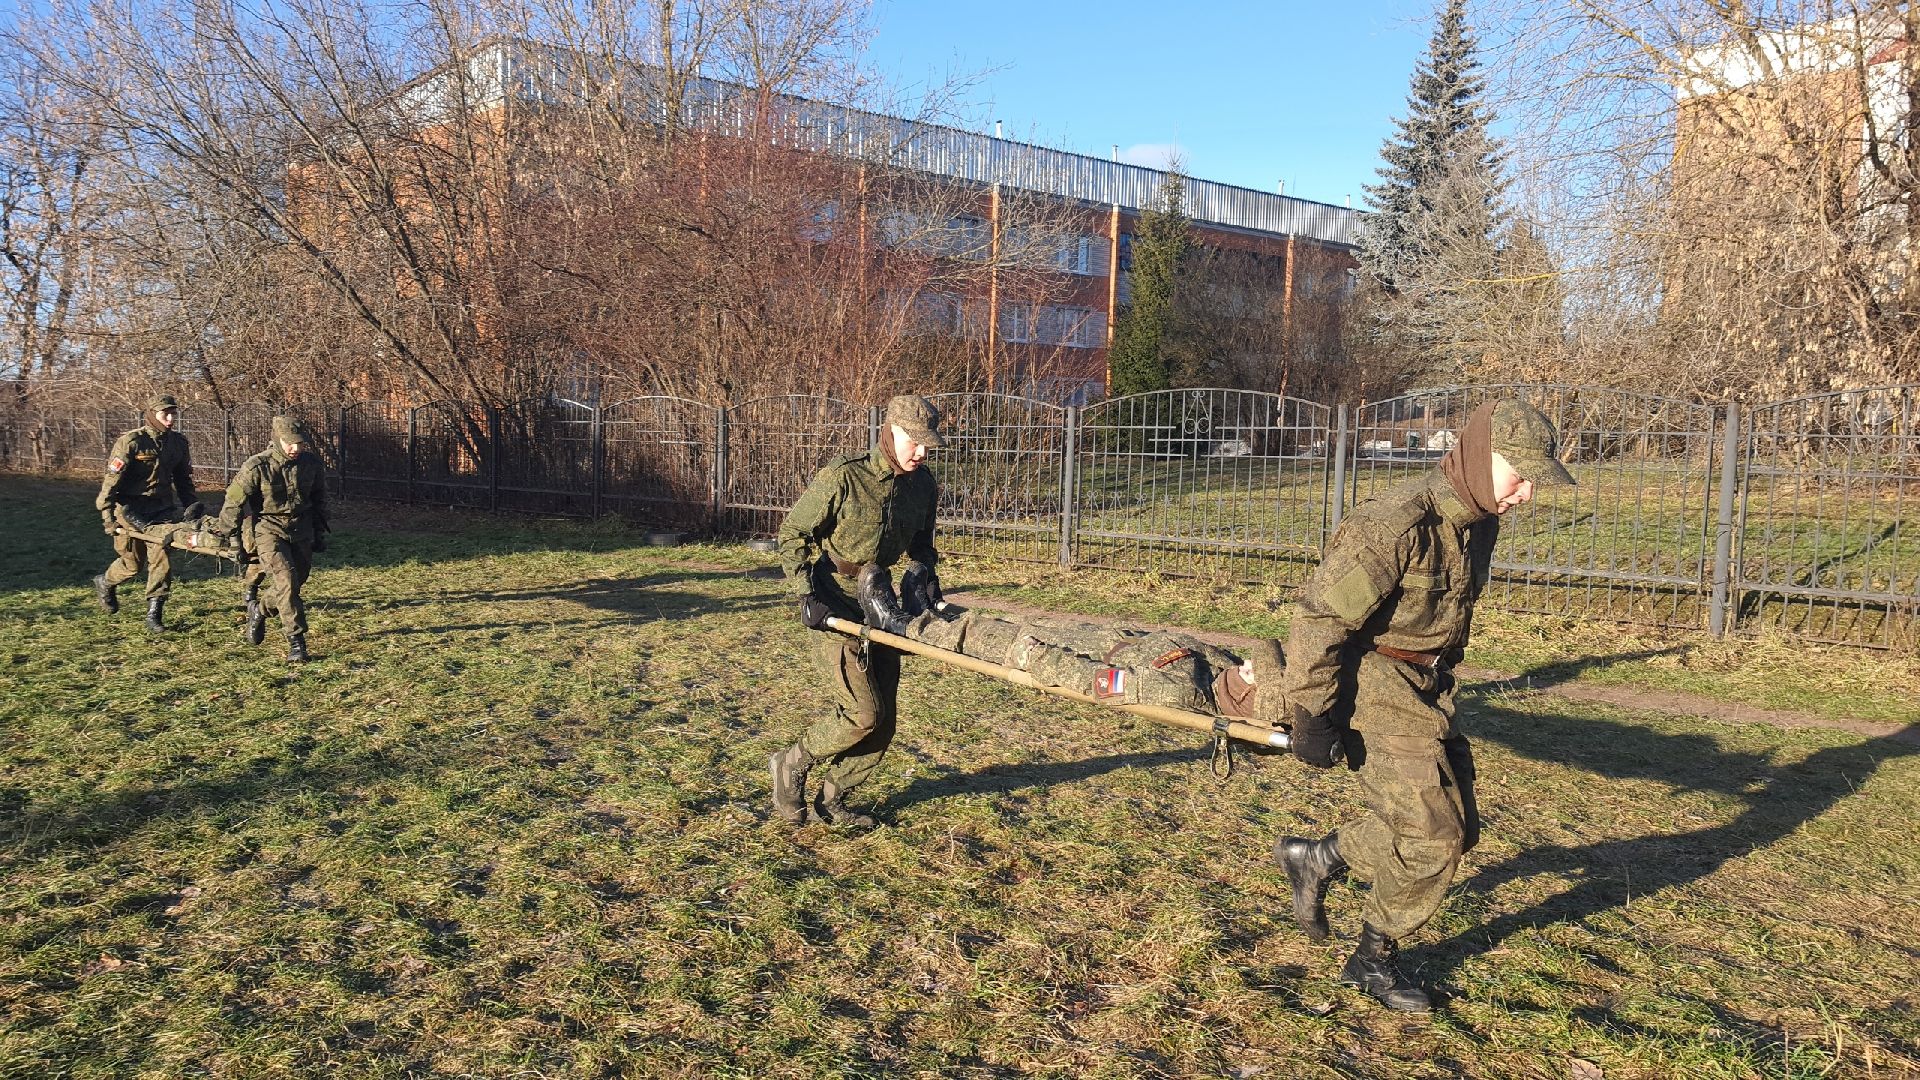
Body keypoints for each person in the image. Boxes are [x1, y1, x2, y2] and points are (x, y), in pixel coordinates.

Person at [1271, 398, 1575, 1013]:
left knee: (1456, 827)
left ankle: (1316, 857)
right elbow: (1322, 619)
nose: (1527, 495)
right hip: (1374, 681)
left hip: (1427, 687)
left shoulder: (1477, 524)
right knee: (1435, 836)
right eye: (1521, 476)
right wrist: (1310, 712)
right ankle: (1371, 959)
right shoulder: (1396, 525)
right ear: (1479, 456)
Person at [768, 395, 945, 829]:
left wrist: (927, 576)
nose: (921, 453)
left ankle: (835, 800)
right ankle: (791, 763)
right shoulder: (844, 478)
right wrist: (806, 592)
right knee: (862, 713)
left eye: (928, 445)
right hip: (835, 601)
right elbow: (793, 531)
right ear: (891, 431)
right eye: (914, 442)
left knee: (883, 721)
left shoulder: (923, 486)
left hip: (882, 604)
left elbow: (922, 542)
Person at [855, 565, 1284, 722]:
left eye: (1253, 671)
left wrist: (1036, 657)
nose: (1247, 661)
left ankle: (901, 626)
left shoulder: (1181, 690)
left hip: (1069, 655)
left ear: (1249, 695)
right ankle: (932, 609)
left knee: (985, 638)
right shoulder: (1222, 667)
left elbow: (1096, 681)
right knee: (997, 621)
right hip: (1097, 637)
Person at [214, 415, 330, 663]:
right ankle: (297, 643)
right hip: (269, 529)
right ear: (277, 440)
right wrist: (230, 537)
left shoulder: (311, 464)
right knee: (286, 580)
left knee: (293, 584)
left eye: (300, 443)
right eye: (290, 443)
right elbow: (234, 501)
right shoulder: (257, 466)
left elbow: (319, 499)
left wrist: (319, 532)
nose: (295, 448)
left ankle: (259, 610)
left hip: (301, 529)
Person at [93, 394, 199, 631]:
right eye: (165, 414)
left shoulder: (178, 443)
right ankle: (106, 582)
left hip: (161, 510)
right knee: (132, 565)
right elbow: (111, 482)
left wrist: (192, 507)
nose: (170, 419)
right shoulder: (132, 442)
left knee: (161, 553)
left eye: (173, 414)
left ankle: (154, 612)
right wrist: (107, 516)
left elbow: (183, 480)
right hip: (130, 510)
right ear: (152, 415)